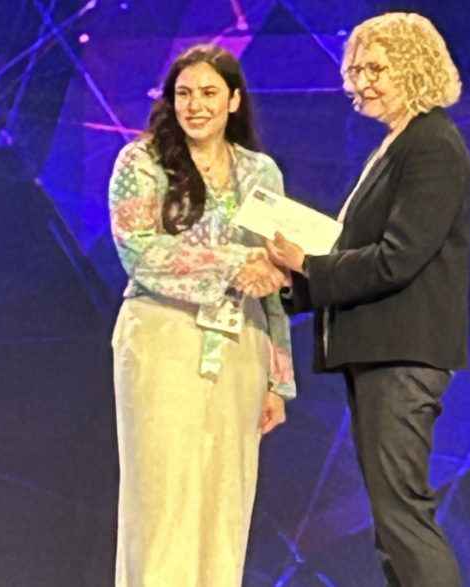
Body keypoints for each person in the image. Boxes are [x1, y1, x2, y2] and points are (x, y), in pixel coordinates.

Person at [266, 13, 470, 587]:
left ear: (416, 67)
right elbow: (360, 252)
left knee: (402, 514)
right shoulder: (398, 144)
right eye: (355, 70)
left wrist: (304, 265)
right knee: (391, 517)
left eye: (377, 68)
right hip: (379, 352)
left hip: (403, 356)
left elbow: (397, 257)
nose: (362, 82)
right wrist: (291, 285)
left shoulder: (431, 144)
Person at [108, 44, 296, 587]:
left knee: (225, 501)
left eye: (209, 93)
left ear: (233, 100)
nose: (196, 105)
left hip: (242, 347)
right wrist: (238, 264)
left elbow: (275, 281)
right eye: (184, 93)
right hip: (161, 342)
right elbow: (141, 254)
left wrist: (277, 380)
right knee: (162, 499)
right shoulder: (139, 162)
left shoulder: (262, 172)